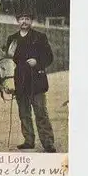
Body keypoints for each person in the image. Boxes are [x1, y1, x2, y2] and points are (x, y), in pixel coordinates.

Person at [6, 12, 56, 153]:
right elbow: (8, 61)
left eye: (27, 19)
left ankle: (48, 143)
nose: (24, 22)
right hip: (20, 81)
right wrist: (8, 83)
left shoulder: (40, 37)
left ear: (31, 21)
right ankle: (28, 141)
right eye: (21, 19)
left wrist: (37, 62)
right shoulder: (12, 39)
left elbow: (49, 57)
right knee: (24, 113)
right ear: (17, 21)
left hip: (37, 81)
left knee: (40, 112)